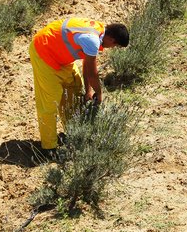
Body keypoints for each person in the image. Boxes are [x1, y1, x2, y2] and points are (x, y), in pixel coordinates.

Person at [29, 17, 129, 151]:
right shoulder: (92, 39)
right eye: (115, 46)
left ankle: (73, 132)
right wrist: (99, 93)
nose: (112, 48)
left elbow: (86, 66)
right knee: (50, 101)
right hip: (43, 52)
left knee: (75, 86)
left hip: (58, 55)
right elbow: (92, 73)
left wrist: (88, 91)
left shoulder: (98, 30)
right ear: (112, 40)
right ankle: (49, 147)